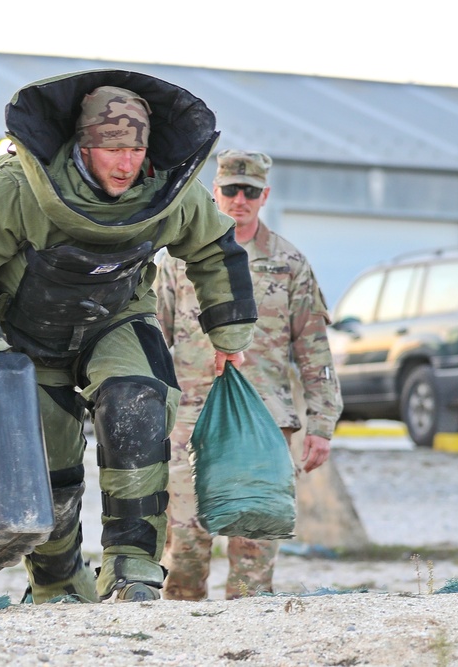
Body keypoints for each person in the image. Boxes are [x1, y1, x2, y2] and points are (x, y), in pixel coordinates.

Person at [0, 71, 257, 603]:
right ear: (83, 145)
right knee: (50, 466)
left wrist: (229, 335)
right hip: (27, 337)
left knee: (138, 404)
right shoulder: (19, 190)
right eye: (111, 149)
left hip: (115, 320)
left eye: (136, 149)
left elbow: (216, 250)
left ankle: (132, 570)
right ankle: (58, 583)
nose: (126, 164)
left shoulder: (170, 194)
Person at [155, 149, 343, 600]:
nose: (240, 200)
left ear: (265, 196)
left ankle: (246, 642)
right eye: (231, 190)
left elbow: (314, 350)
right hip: (190, 421)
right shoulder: (179, 260)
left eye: (250, 192)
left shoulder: (288, 263)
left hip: (265, 422)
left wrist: (320, 426)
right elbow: (151, 339)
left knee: (254, 547)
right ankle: (181, 640)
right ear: (214, 193)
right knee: (183, 547)